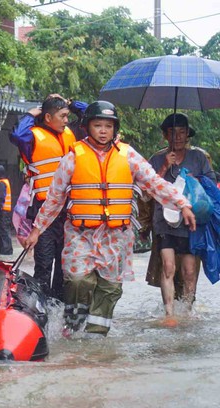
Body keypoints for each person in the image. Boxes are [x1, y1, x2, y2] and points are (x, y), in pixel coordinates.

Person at [24, 101, 195, 336]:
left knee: (109, 289)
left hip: (116, 238)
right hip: (81, 235)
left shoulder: (129, 155)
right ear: (87, 127)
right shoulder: (73, 157)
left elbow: (155, 184)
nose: (103, 131)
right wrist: (36, 231)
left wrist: (183, 204)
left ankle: (96, 343)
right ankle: (72, 326)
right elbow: (54, 199)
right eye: (98, 125)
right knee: (77, 281)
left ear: (115, 129)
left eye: (108, 126)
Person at [10, 94, 87, 300]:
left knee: (64, 265)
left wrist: (71, 104)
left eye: (67, 116)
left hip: (69, 210)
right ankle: (41, 310)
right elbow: (16, 135)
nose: (66, 120)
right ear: (47, 118)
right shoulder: (32, 137)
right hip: (43, 210)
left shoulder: (71, 133)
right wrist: (31, 112)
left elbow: (91, 116)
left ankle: (59, 309)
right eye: (62, 116)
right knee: (44, 264)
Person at [148, 113, 215, 320]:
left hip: (190, 221)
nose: (177, 137)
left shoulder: (199, 158)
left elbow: (211, 184)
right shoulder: (157, 158)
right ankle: (169, 314)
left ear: (188, 135)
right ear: (165, 135)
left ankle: (187, 312)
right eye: (172, 133)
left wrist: (196, 180)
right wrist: (165, 167)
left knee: (189, 270)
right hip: (164, 221)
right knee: (168, 266)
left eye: (182, 132)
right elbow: (147, 190)